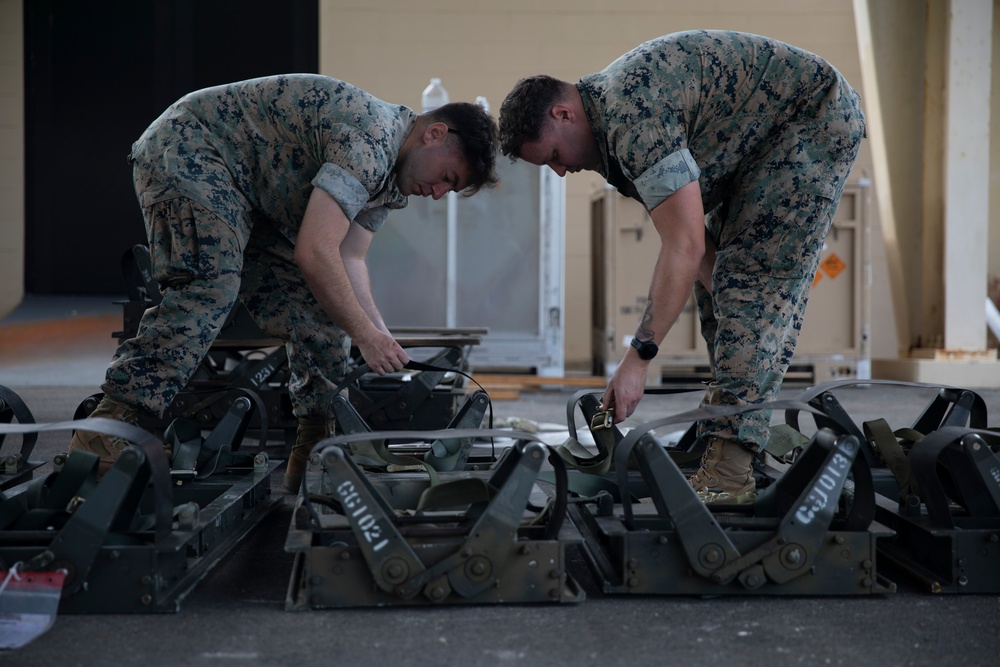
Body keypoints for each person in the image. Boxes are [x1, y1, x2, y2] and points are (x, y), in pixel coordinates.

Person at [70, 74, 499, 492]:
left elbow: (348, 257)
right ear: (435, 134)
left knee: (323, 311)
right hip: (190, 150)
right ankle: (107, 427)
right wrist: (365, 335)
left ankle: (317, 445)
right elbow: (314, 251)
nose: (440, 193)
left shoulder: (390, 181)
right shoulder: (370, 141)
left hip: (251, 195)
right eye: (449, 177)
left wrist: (378, 334)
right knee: (209, 288)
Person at [499, 30, 866, 502]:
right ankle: (731, 434)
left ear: (563, 113)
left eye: (553, 155)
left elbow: (684, 245)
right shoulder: (614, 131)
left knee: (751, 289)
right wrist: (741, 322)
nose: (560, 170)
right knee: (730, 297)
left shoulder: (631, 116)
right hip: (762, 145)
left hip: (812, 120)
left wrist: (638, 358)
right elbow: (699, 254)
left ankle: (729, 475)